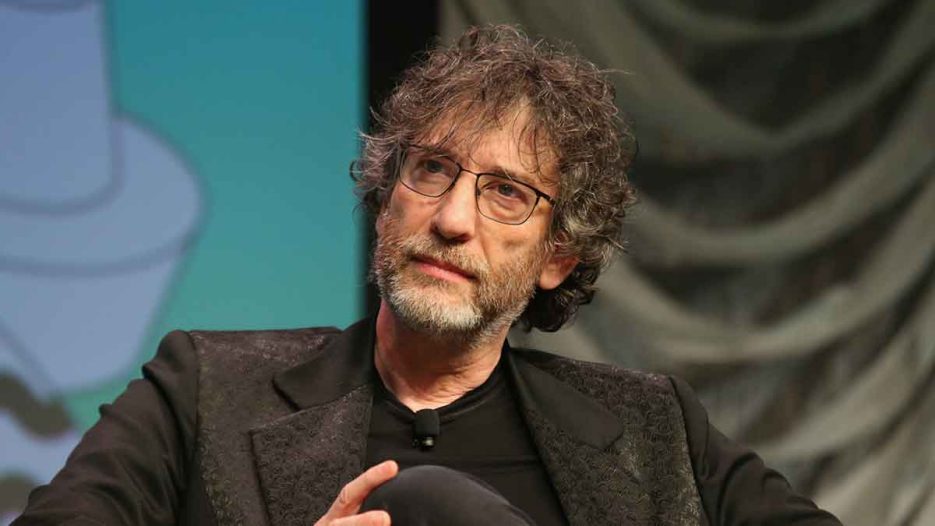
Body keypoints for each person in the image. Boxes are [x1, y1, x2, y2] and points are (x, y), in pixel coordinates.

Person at [14, 25, 842, 526]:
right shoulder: (203, 389)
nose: (451, 218)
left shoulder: (652, 429)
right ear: (386, 200)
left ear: (557, 256)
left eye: (506, 193)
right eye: (432, 170)